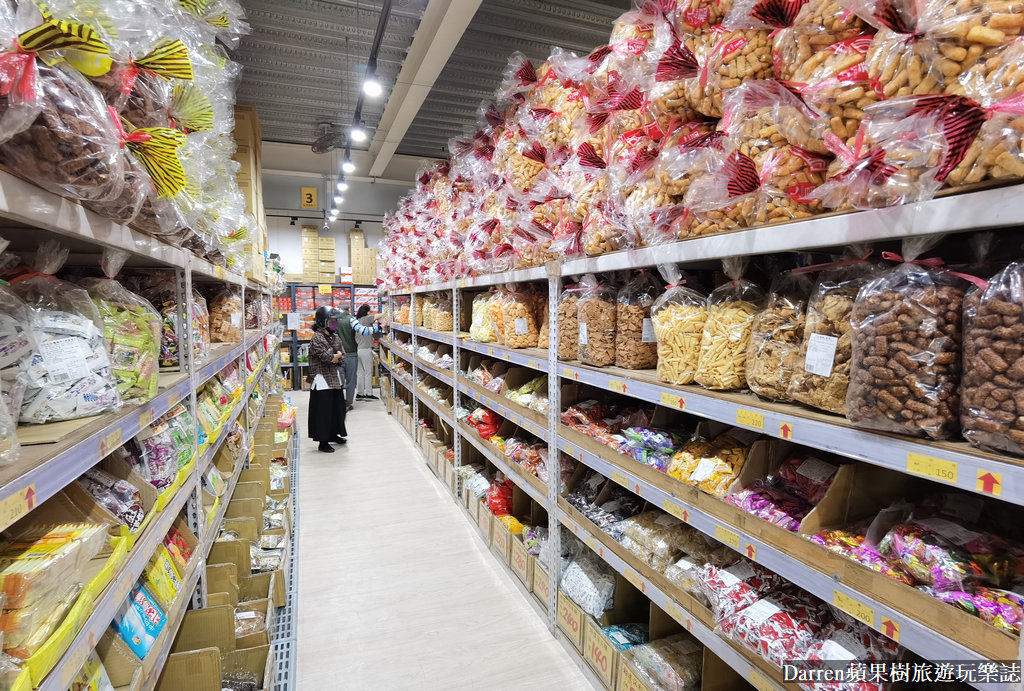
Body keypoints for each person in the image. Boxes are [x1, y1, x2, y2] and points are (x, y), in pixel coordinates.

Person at [307, 306, 347, 452]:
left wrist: (337, 356)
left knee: (338, 409)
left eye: (335, 321)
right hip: (321, 379)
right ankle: (322, 442)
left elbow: (342, 356)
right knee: (324, 411)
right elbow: (326, 357)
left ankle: (333, 434)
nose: (334, 324)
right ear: (322, 321)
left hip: (334, 378)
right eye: (331, 321)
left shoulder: (335, 336)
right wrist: (335, 355)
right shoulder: (316, 338)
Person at [334, 306, 381, 410]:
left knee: (354, 375)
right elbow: (365, 330)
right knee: (359, 376)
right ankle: (365, 395)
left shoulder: (336, 321)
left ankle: (358, 394)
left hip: (342, 353)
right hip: (356, 351)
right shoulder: (355, 319)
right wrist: (379, 327)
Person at [354, 304, 379, 400]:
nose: (371, 313)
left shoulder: (358, 321)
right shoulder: (366, 319)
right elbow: (378, 316)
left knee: (360, 373)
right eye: (370, 311)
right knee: (368, 372)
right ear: (366, 312)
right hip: (366, 350)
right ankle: (369, 393)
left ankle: (360, 393)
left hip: (359, 349)